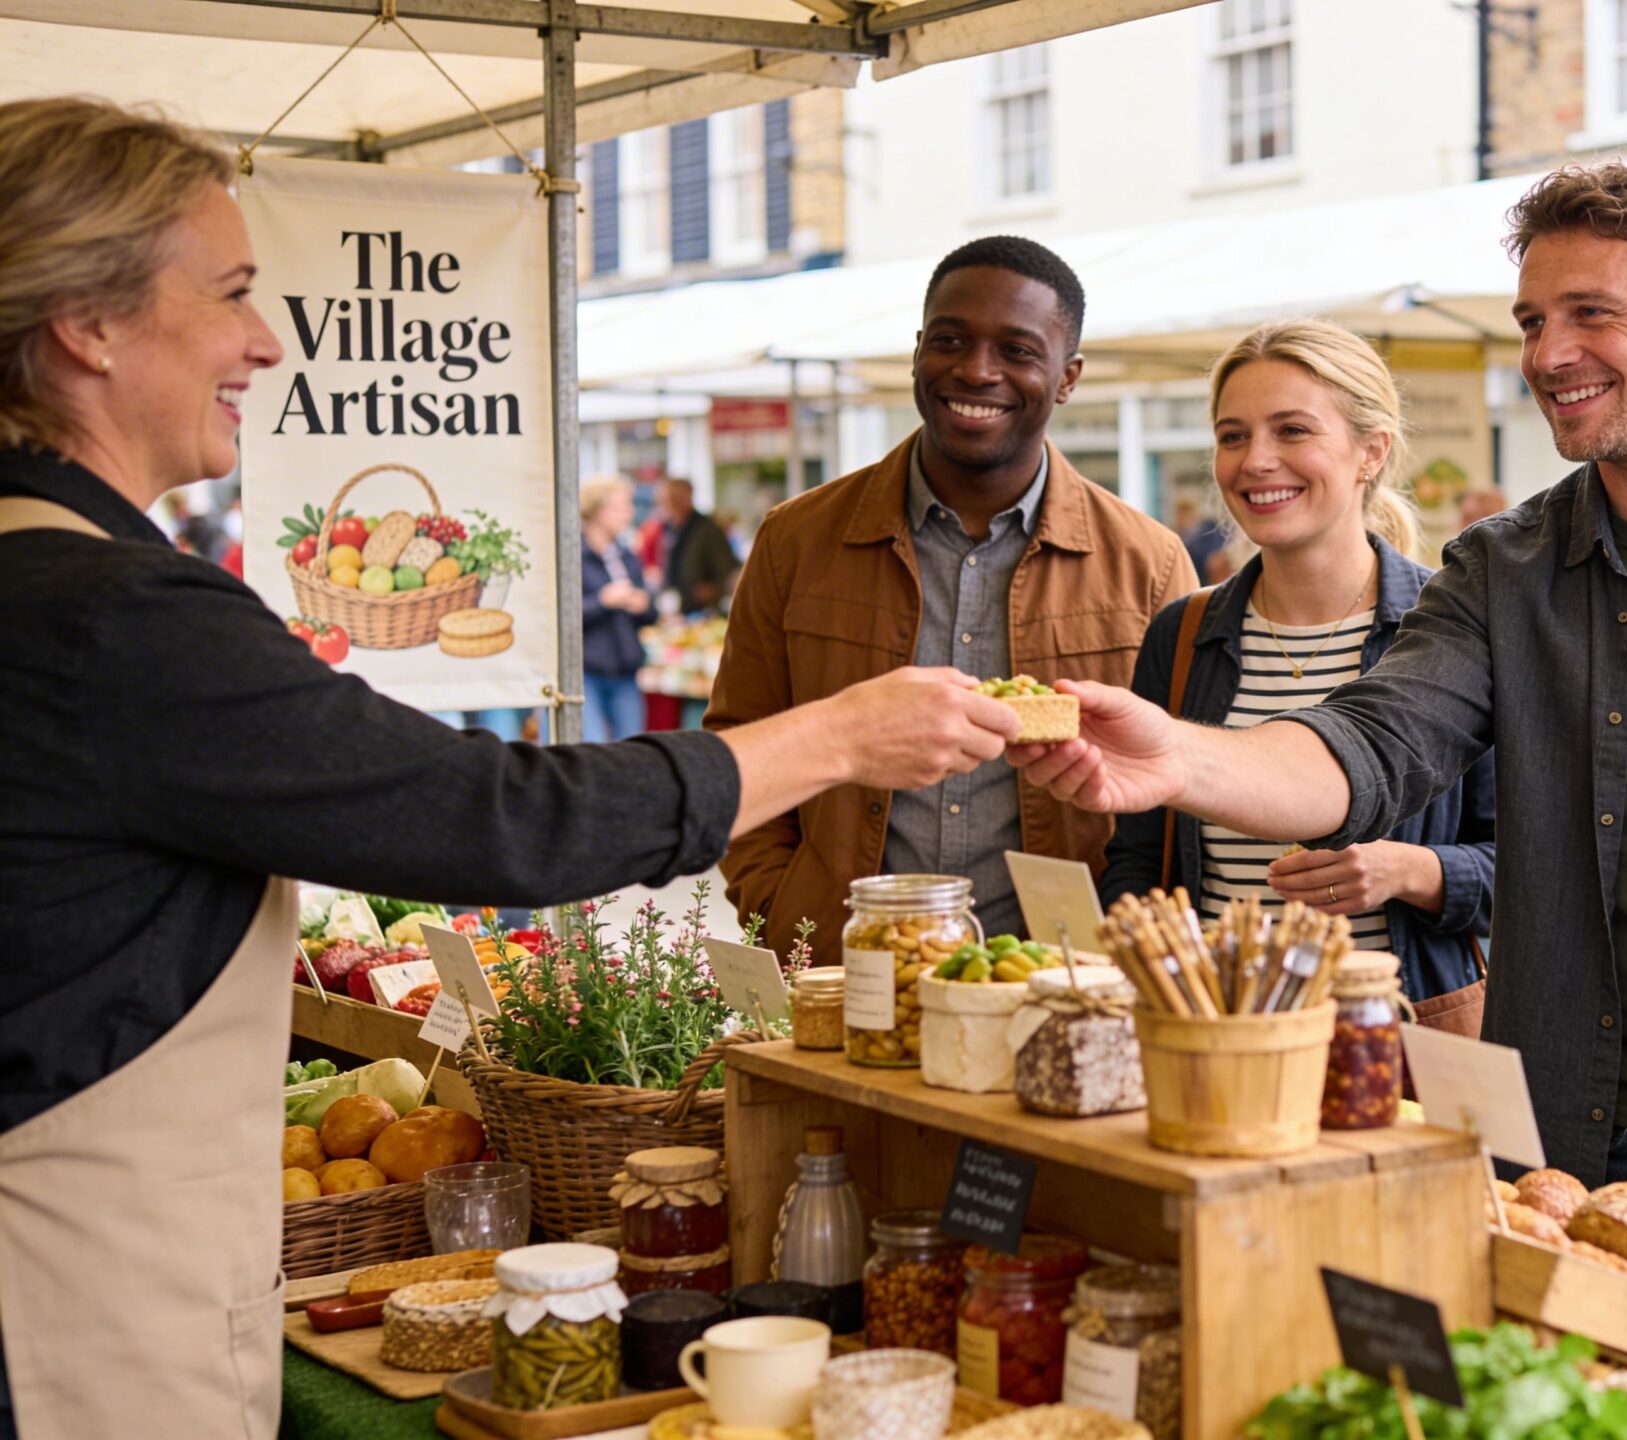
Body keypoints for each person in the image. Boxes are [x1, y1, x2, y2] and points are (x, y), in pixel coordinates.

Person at [0, 97, 1025, 1440]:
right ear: (90, 322)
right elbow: (502, 820)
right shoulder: (106, 615)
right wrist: (841, 735)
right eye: (236, 292)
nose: (265, 342)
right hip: (70, 1308)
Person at [1013, 163, 1627, 1287]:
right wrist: (1175, 753)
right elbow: (1373, 745)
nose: (1546, 353)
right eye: (1534, 320)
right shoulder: (1503, 569)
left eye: (1591, 314)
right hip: (1590, 1146)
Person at [710, 235, 1192, 963]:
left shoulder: (1149, 565)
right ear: (915, 352)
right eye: (950, 340)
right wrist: (783, 910)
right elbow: (740, 744)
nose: (976, 370)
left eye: (1018, 351)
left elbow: (1178, 795)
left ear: (1067, 378)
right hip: (845, 976)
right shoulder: (796, 540)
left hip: (1058, 983)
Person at [1101, 320, 1496, 1004]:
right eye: (1233, 436)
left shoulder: (1454, 626)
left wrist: (1410, 870)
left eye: (1291, 431)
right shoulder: (1184, 633)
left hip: (1394, 1034)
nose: (1255, 460)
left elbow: (1539, 871)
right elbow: (1140, 857)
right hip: (1219, 1032)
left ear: (1370, 451)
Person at [580, 475, 653, 741]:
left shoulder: (627, 556)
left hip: (625, 669)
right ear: (598, 511)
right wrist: (603, 601)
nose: (629, 513)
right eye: (621, 507)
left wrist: (643, 604)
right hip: (587, 671)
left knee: (632, 748)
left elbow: (650, 613)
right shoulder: (572, 555)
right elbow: (563, 617)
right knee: (592, 746)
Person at [660, 475, 739, 615]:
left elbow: (729, 571)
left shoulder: (707, 529)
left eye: (674, 498)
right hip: (677, 607)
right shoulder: (669, 529)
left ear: (687, 498)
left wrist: (714, 589)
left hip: (704, 611)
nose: (669, 504)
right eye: (666, 499)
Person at [1171, 491, 1224, 585]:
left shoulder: (1208, 530)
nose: (1183, 517)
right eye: (1181, 513)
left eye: (1187, 512)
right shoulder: (1175, 537)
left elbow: (1215, 558)